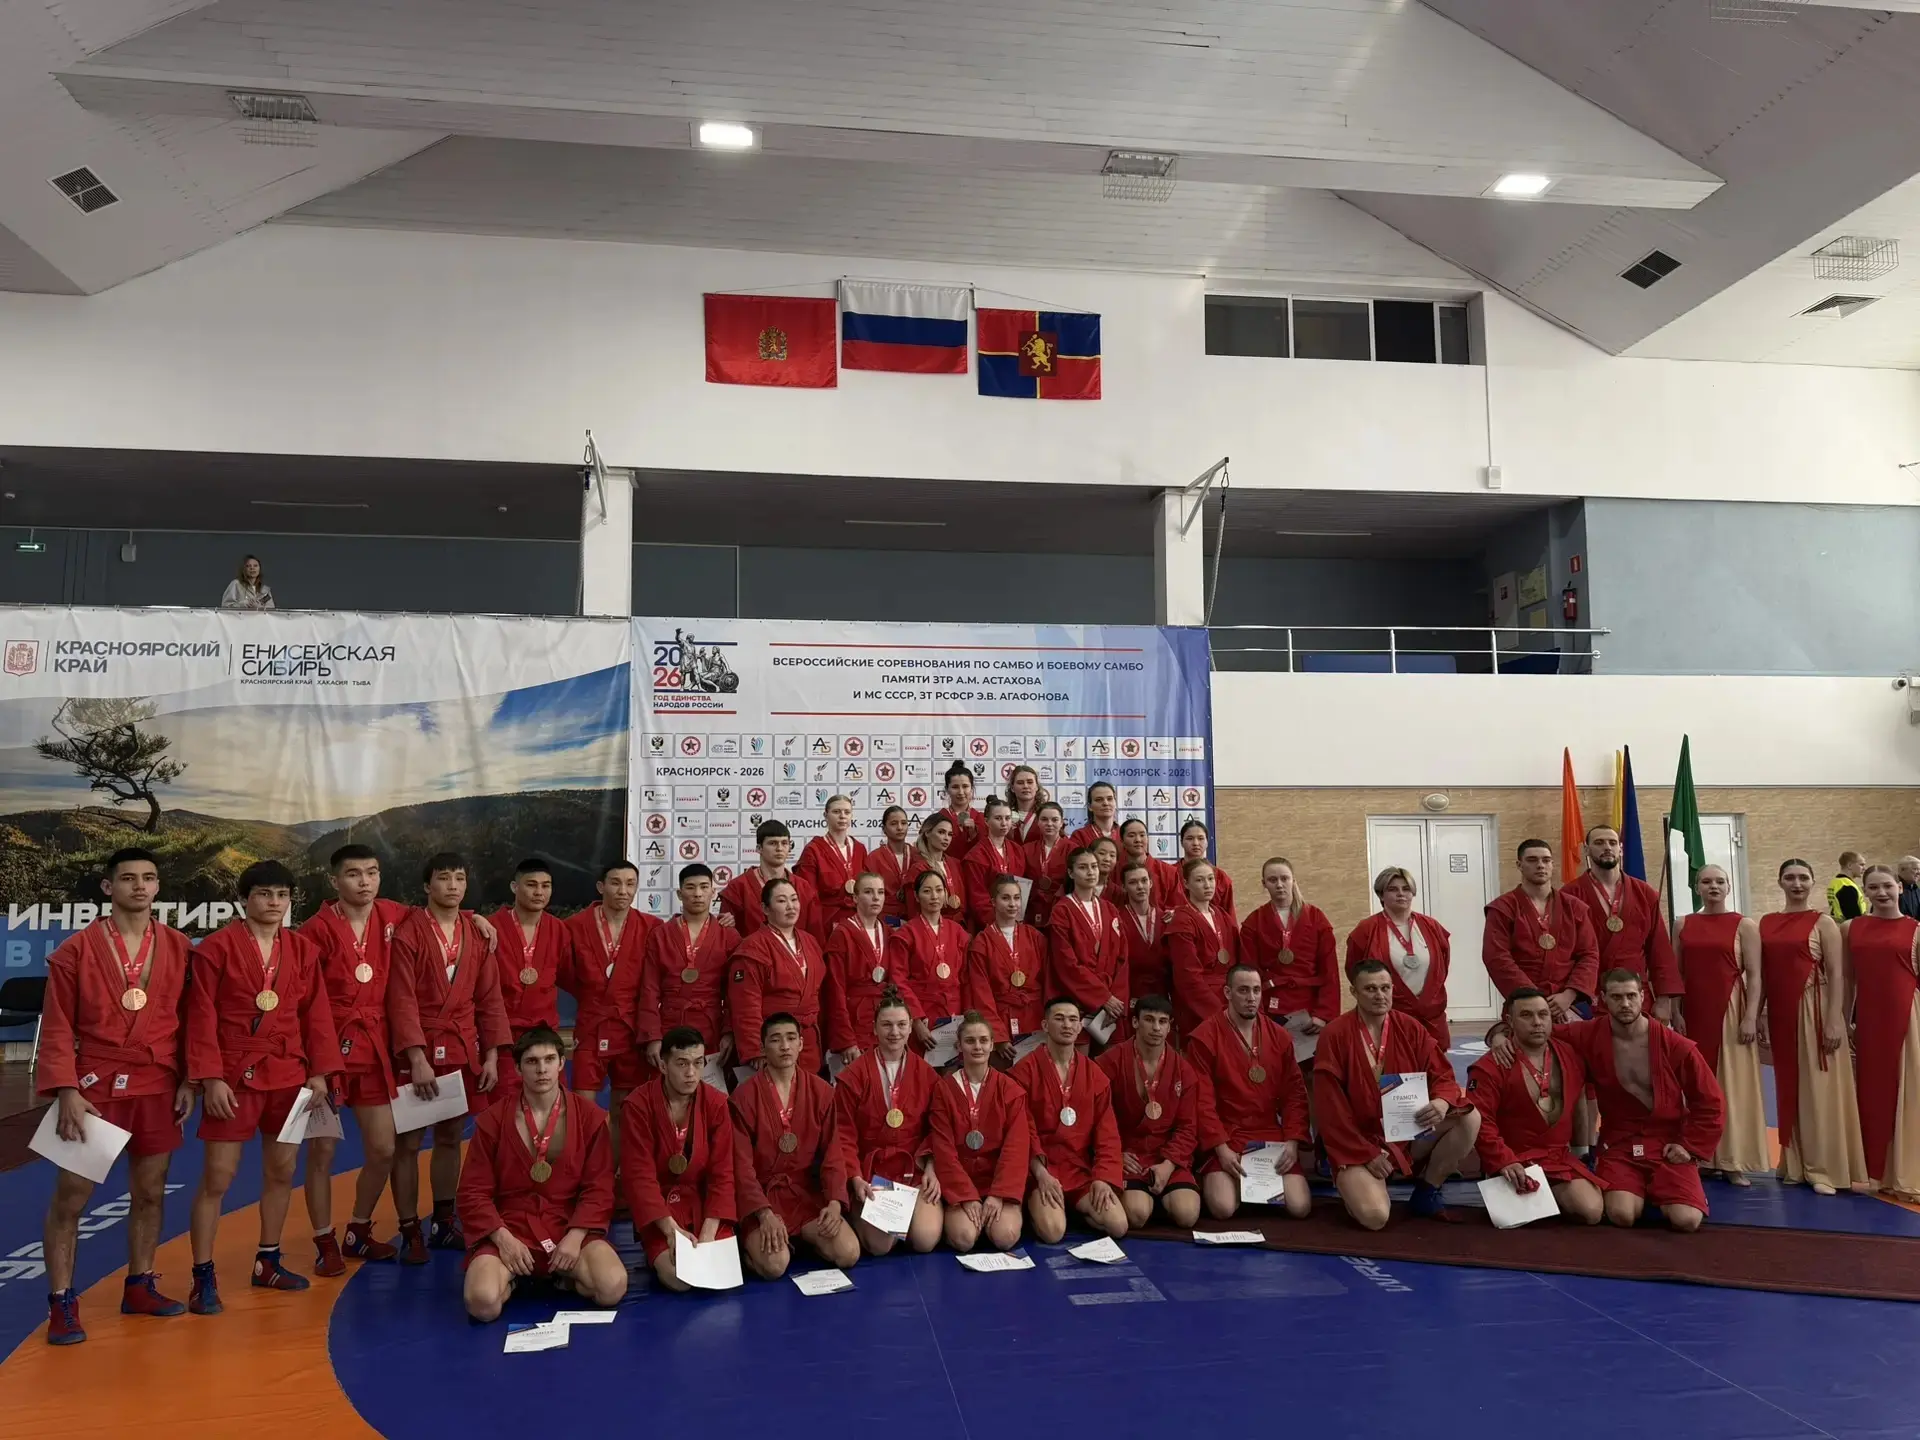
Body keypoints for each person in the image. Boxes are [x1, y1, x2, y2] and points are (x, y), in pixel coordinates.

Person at [38, 848, 195, 1345]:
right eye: (128, 878)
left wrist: (190, 1078)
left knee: (150, 1191)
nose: (139, 886)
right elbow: (57, 1026)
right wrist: (66, 1089)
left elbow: (190, 1020)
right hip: (95, 1086)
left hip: (157, 1082)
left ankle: (140, 1286)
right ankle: (62, 1302)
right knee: (72, 1198)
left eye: (148, 878)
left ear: (158, 886)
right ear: (108, 888)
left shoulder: (178, 946)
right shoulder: (76, 950)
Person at [186, 861, 339, 1311]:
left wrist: (319, 1072)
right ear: (244, 899)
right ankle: (202, 1275)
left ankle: (267, 1261)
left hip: (289, 1074)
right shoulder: (215, 949)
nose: (274, 903)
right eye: (264, 894)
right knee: (218, 1177)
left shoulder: (303, 950)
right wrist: (211, 1077)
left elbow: (316, 1013)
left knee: (282, 1171)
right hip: (234, 1077)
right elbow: (201, 1015)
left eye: (282, 895)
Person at [388, 852, 509, 1260]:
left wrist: (491, 1055)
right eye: (443, 878)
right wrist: (416, 1057)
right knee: (407, 1142)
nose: (453, 886)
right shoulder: (408, 933)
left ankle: (443, 1221)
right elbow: (401, 1000)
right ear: (427, 886)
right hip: (419, 1047)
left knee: (450, 1137)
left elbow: (489, 999)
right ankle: (409, 1228)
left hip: (461, 1046)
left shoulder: (477, 934)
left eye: (459, 878)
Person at [458, 1027, 625, 1321]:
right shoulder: (493, 1121)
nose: (542, 1069)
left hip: (567, 1224)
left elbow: (599, 1187)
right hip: (511, 1226)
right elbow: (473, 1192)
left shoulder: (589, 1117)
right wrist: (503, 1239)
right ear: (518, 1068)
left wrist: (576, 1236)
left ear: (562, 1063)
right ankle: (515, 1278)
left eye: (549, 1059)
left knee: (612, 1287)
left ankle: (562, 1276)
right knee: (482, 1304)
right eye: (532, 1061)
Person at [298, 844, 406, 1273]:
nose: (365, 881)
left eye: (372, 872)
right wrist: (315, 1066)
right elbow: (304, 1002)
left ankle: (358, 1229)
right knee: (322, 1152)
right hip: (328, 1050)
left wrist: (476, 919)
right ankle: (324, 1239)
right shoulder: (315, 929)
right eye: (354, 874)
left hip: (375, 1048)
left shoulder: (393, 915)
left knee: (383, 1148)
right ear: (335, 881)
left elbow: (439, 917)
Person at [1316, 960, 1480, 1230]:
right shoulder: (1334, 1035)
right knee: (1375, 1218)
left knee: (1469, 1117)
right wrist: (1366, 1154)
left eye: (1385, 988)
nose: (1379, 995)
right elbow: (1330, 1110)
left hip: (1405, 1134)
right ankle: (1355, 1183)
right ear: (1354, 992)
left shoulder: (1410, 1028)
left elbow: (1443, 1076)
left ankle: (1427, 1190)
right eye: (1370, 989)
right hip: (1356, 1143)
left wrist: (1441, 1101)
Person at [1560, 970, 1723, 1231]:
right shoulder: (1589, 1034)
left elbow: (1710, 1101)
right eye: (1616, 997)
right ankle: (1641, 1192)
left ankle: (1661, 1191)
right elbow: (1542, 1032)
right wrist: (1499, 1034)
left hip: (1667, 1142)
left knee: (1687, 1221)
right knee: (1621, 1215)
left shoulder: (1674, 1044)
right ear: (1603, 998)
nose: (1625, 1004)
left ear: (1643, 996)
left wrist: (1690, 1146)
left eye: (1631, 996)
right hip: (1620, 1142)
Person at [1760, 858, 1867, 1194]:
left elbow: (1838, 974)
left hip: (1815, 1009)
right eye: (1790, 877)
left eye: (1803, 878)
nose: (1797, 884)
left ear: (1812, 882)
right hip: (1781, 1012)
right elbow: (1761, 974)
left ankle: (1825, 1168)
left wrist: (1836, 1019)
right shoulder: (1766, 922)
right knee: (1789, 1085)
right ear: (1780, 881)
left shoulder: (1824, 923)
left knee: (1819, 1087)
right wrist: (1760, 1014)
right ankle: (1795, 1163)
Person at [732, 1013, 861, 1277]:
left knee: (848, 1253)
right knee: (774, 1266)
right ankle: (748, 1251)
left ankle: (803, 1239)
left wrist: (834, 1203)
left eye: (791, 1038)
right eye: (775, 1040)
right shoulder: (743, 1098)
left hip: (804, 1196)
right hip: (764, 1199)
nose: (784, 1046)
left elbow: (833, 1154)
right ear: (762, 1047)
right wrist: (764, 1214)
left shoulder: (821, 1091)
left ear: (801, 1044)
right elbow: (741, 1168)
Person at [1185, 964, 1311, 1221]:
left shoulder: (1280, 1036)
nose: (1251, 997)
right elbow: (1202, 1102)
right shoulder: (1204, 1037)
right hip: (1227, 1135)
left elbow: (1295, 1095)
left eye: (1256, 990)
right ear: (1227, 993)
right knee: (1222, 1208)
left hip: (1269, 1136)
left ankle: (1251, 1186)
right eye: (1243, 990)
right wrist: (1221, 1149)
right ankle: (1223, 1181)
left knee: (1300, 1207)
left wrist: (1292, 1142)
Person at [1467, 990, 1603, 1224]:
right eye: (1526, 1015)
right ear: (1509, 1021)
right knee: (1513, 1220)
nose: (1537, 1022)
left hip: (1557, 1158)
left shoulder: (1570, 1055)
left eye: (1543, 1014)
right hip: (1514, 1159)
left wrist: (1581, 1154)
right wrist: (1503, 1161)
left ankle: (1543, 1199)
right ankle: (1518, 1192)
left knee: (1591, 1211)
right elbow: (1482, 1122)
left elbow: (1582, 1100)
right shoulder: (1489, 1067)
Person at [621, 1027, 737, 1291]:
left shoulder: (717, 1103)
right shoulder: (637, 1106)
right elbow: (639, 1178)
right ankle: (657, 1249)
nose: (691, 1073)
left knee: (720, 1275)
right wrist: (670, 1230)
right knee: (680, 1279)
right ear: (663, 1066)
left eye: (698, 1063)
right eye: (682, 1064)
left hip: (704, 1206)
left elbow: (723, 1172)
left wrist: (708, 1233)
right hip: (662, 1210)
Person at [1673, 865, 1768, 1184]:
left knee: (1732, 1085)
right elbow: (1676, 973)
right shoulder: (1682, 923)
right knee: (1697, 1085)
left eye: (1719, 881)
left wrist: (1751, 1016)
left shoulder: (1744, 925)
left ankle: (1732, 1159)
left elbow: (1755, 975)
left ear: (1728, 887)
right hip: (1694, 1012)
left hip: (1730, 1010)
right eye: (1706, 881)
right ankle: (1702, 1154)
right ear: (1696, 887)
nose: (1713, 886)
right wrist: (1675, 1012)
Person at [564, 860, 659, 1163]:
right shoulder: (574, 926)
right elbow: (564, 972)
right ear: (601, 886)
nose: (623, 890)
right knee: (583, 1110)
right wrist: (593, 994)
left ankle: (618, 1172)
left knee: (624, 1109)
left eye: (630, 884)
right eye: (616, 883)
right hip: (591, 1023)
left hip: (630, 1027)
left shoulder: (652, 927)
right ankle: (586, 1176)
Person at [834, 991, 943, 1255]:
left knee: (925, 1240)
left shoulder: (927, 1074)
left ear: (910, 1028)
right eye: (887, 1025)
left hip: (913, 1170)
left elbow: (937, 1128)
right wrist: (855, 1178)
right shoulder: (853, 1076)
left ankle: (908, 1218)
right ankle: (860, 1213)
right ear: (874, 1028)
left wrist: (932, 1167)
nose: (894, 1032)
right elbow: (843, 1134)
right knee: (880, 1246)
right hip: (872, 1175)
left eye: (901, 1024)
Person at [1012, 998, 1128, 1243]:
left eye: (1073, 1019)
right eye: (1059, 1018)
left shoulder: (1095, 1074)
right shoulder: (1024, 1071)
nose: (1067, 1025)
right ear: (1045, 1025)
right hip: (1040, 1170)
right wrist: (1040, 1174)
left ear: (1079, 1026)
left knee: (1118, 1225)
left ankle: (1073, 1210)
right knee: (1053, 1232)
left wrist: (1103, 1178)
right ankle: (1038, 1208)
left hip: (1078, 1170)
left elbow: (1107, 1134)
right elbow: (1022, 1132)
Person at [1844, 866, 1920, 1201]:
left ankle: (1908, 1173)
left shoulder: (1916, 930)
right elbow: (1847, 979)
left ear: (1900, 888)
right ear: (1865, 891)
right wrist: (1842, 1018)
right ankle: (1878, 1172)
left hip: (1907, 1017)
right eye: (1873, 887)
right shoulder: (1852, 928)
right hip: (1870, 1020)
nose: (1881, 892)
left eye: (1887, 886)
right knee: (1873, 1093)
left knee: (1909, 1092)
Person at [1097, 994, 1202, 1229]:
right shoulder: (1109, 1062)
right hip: (1128, 1154)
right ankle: (1146, 1198)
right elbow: (1097, 1119)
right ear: (1135, 1022)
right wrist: (1115, 1154)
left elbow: (1188, 1127)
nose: (1156, 1028)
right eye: (1149, 1020)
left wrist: (1169, 1164)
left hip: (1166, 1154)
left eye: (1162, 1022)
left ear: (1169, 1027)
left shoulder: (1184, 1070)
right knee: (1137, 1215)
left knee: (1187, 1215)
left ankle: (1162, 1196)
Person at [929, 1013, 1032, 1252]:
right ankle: (956, 1217)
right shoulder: (944, 1090)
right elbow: (943, 1149)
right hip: (961, 1181)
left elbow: (1016, 1148)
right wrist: (966, 1196)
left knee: (1005, 1237)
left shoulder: (1010, 1089)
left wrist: (998, 1194)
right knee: (964, 1239)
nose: (977, 1047)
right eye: (970, 1041)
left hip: (997, 1181)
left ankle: (997, 1214)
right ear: (958, 1046)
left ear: (992, 1045)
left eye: (984, 1040)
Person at [1566, 825, 1680, 1021]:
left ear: (1620, 849)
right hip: (1590, 994)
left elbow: (1659, 949)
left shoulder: (1645, 893)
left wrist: (1663, 999)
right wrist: (1569, 997)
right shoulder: (1569, 895)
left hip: (1636, 993)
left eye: (1612, 843)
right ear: (1586, 850)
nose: (1607, 847)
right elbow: (1564, 954)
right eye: (1599, 843)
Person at [487, 857, 572, 1110]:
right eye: (531, 885)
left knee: (553, 1111)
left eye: (546, 886)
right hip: (505, 1039)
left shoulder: (559, 930)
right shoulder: (490, 927)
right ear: (514, 887)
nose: (539, 892)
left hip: (545, 1035)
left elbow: (571, 978)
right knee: (506, 1112)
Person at [1482, 838, 1600, 1020]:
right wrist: (1532, 998)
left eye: (1546, 860)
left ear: (1552, 865)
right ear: (1519, 865)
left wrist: (1569, 995)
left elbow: (1589, 954)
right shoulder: (1503, 908)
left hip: (1567, 1004)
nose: (1540, 865)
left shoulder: (1574, 907)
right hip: (1523, 1002)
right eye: (1532, 860)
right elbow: (1497, 957)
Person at [1344, 867, 1453, 1059]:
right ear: (1381, 895)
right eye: (1393, 889)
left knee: (1435, 1070)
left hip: (1432, 1018)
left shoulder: (1432, 927)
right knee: (1393, 1071)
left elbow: (1442, 967)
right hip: (1388, 1017)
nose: (1401, 893)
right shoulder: (1366, 930)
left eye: (1406, 888)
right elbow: (1355, 972)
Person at [638, 863, 737, 1073]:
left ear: (713, 892)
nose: (698, 894)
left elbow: (735, 992)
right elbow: (649, 990)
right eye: (690, 887)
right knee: (669, 1086)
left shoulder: (728, 935)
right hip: (670, 1023)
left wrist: (729, 1031)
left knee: (710, 1088)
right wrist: (652, 1036)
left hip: (712, 1026)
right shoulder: (660, 935)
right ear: (679, 893)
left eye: (704, 887)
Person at [1238, 857, 1339, 1056]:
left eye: (1284, 878)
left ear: (1294, 880)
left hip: (1310, 1009)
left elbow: (1330, 971)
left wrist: (1323, 1014)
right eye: (1272, 880)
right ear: (1264, 884)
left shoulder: (1317, 919)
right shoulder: (1253, 922)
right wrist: (1258, 1015)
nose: (1279, 884)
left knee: (1312, 1069)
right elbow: (1249, 972)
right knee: (1274, 1065)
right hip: (1271, 1007)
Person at [730, 877, 827, 1072]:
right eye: (782, 901)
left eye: (794, 899)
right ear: (765, 909)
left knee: (809, 1089)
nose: (791, 906)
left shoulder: (810, 941)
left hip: (807, 1041)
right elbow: (745, 1005)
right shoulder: (753, 947)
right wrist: (756, 1050)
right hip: (773, 1042)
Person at [824, 871, 913, 1067]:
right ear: (855, 898)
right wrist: (846, 1039)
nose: (876, 898)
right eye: (868, 892)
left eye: (880, 892)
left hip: (883, 1022)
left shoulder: (888, 932)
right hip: (854, 1022)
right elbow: (835, 990)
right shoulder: (842, 934)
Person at [1046, 846, 1128, 1052]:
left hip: (1111, 1003)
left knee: (1113, 1062)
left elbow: (1123, 958)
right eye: (1083, 867)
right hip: (1077, 1000)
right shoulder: (1062, 911)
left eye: (1094, 866)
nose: (1091, 872)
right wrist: (1102, 997)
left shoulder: (1109, 909)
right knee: (1079, 1063)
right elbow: (1066, 964)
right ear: (1071, 873)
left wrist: (1115, 1000)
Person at [962, 875, 1048, 1064]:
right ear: (993, 902)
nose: (1012, 904)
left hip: (1035, 1017)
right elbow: (981, 993)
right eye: (1005, 898)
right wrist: (998, 1035)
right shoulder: (981, 943)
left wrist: (1048, 1023)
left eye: (1017, 898)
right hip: (1002, 1020)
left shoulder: (1035, 937)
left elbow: (1048, 982)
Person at [891, 870, 967, 1054]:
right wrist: (915, 1020)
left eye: (939, 890)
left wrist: (968, 1020)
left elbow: (967, 978)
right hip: (923, 1014)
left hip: (955, 1014)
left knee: (952, 1067)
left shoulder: (958, 932)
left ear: (946, 894)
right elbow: (898, 980)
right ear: (916, 897)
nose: (934, 896)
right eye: (927, 891)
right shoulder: (906, 934)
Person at [1166, 857, 1237, 1040]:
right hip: (1199, 1005)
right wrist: (1217, 1012)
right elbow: (1187, 975)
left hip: (1230, 999)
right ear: (1186, 884)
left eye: (1211, 879)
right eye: (1199, 880)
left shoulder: (1223, 916)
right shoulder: (1182, 920)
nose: (1207, 885)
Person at [719, 821, 819, 938]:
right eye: (772, 843)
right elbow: (727, 937)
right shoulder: (738, 887)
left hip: (795, 949)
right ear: (759, 848)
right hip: (753, 949)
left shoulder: (804, 888)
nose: (779, 848)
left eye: (784, 843)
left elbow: (816, 935)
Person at [794, 795, 868, 941]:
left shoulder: (860, 849)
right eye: (836, 811)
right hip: (826, 924)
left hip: (858, 921)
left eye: (847, 812)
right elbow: (807, 897)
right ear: (825, 815)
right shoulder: (813, 850)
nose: (842, 816)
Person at [962, 796, 1027, 929]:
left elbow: (1022, 888)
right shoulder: (975, 856)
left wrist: (1016, 921)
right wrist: (998, 924)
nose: (1004, 823)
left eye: (1007, 818)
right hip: (988, 925)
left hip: (1016, 921)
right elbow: (978, 898)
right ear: (986, 821)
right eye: (998, 818)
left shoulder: (1018, 851)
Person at [1116, 860, 1170, 1011]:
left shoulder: (1165, 918)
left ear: (1151, 883)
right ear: (1123, 887)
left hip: (1162, 994)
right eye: (1133, 882)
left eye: (1144, 880)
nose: (1140, 886)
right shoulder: (1117, 919)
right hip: (1131, 994)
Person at [907, 812, 968, 928]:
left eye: (950, 834)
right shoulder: (918, 868)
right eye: (941, 832)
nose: (946, 838)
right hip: (931, 929)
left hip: (958, 930)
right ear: (927, 833)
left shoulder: (955, 864)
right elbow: (913, 912)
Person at [1023, 801, 1072, 931]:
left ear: (1061, 822)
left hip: (1062, 908)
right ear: (1038, 822)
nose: (1049, 824)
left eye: (1054, 820)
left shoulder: (1072, 849)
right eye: (1044, 819)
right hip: (1033, 908)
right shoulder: (1026, 849)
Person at [1114, 819, 1180, 910]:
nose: (1138, 840)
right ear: (1122, 841)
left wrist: (1172, 913)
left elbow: (1179, 907)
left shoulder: (1168, 872)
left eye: (1142, 835)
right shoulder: (1113, 871)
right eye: (1131, 836)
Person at [869, 805, 917, 922]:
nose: (900, 827)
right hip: (884, 919)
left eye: (904, 823)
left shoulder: (918, 855)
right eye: (894, 824)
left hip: (915, 916)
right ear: (884, 828)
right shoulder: (874, 858)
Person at [1180, 820, 1234, 916]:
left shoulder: (1221, 877)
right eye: (1190, 838)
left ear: (1207, 842)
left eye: (1201, 838)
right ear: (1181, 842)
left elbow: (1229, 915)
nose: (1196, 843)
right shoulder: (1169, 874)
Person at [938, 761, 987, 862]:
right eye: (955, 787)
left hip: (976, 870)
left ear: (972, 788)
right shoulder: (938, 819)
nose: (961, 792)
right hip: (947, 870)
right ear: (947, 789)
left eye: (965, 786)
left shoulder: (982, 819)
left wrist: (974, 834)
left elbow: (988, 852)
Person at [1068, 780, 1122, 850]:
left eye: (1110, 799)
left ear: (1115, 802)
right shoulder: (1080, 836)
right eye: (1099, 800)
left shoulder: (1125, 834)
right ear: (1090, 806)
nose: (1106, 803)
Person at [1006, 764, 1046, 845]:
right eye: (1020, 783)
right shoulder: (1005, 815)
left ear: (1037, 786)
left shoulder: (1047, 814)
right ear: (1012, 788)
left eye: (1030, 782)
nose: (1025, 786)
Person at [1829, 852, 1867, 923]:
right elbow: (1853, 918)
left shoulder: (1835, 882)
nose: (1864, 868)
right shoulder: (1847, 886)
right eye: (1861, 865)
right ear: (1849, 865)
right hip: (1850, 927)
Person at [1900, 856, 1920, 922]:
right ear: (1902, 870)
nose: (1919, 873)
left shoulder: (1918, 890)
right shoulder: (1890, 888)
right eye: (1915, 869)